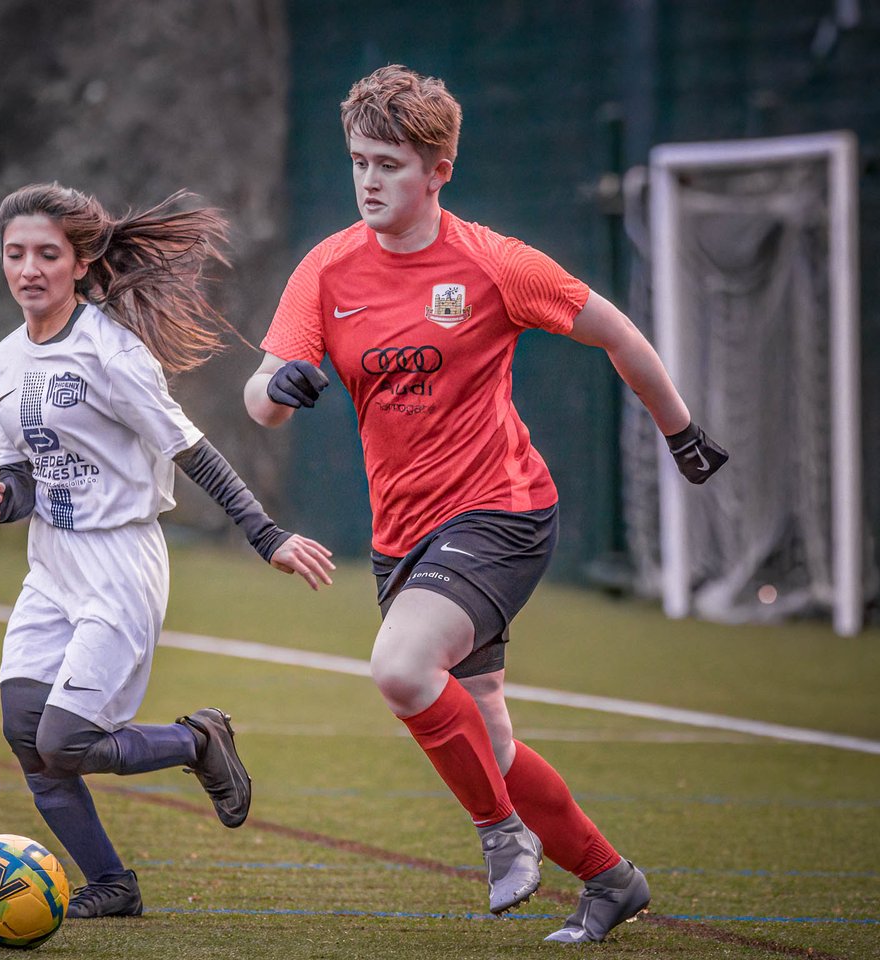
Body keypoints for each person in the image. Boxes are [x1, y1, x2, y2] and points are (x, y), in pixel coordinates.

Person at [244, 65, 727, 943]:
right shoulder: (327, 267)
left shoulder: (492, 263)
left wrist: (681, 432)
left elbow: (614, 328)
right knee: (490, 743)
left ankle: (501, 836)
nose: (369, 181)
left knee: (398, 667)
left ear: (438, 171)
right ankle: (611, 878)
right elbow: (260, 399)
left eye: (389, 163)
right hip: (405, 538)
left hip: (501, 513)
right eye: (358, 160)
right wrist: (278, 384)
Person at [0, 182, 335, 920]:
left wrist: (265, 536)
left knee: (66, 742)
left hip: (118, 568)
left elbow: (194, 452)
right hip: (51, 566)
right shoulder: (3, 361)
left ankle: (197, 741)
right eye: (15, 253)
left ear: (80, 264)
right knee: (26, 735)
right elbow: (22, 467)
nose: (29, 269)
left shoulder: (113, 355)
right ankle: (112, 885)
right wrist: (5, 497)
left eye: (48, 253)